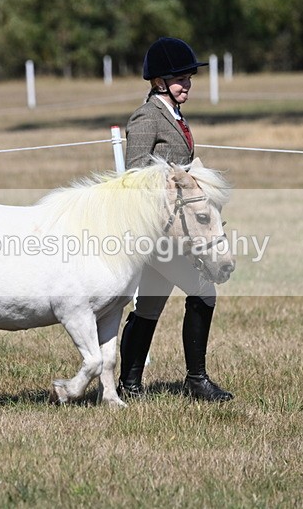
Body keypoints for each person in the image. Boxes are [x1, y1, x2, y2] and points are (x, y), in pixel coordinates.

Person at [117, 37, 233, 402]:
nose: (188, 84)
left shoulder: (175, 115)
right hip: (159, 230)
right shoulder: (146, 117)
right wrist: (174, 178)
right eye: (180, 79)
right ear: (159, 82)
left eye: (189, 78)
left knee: (149, 305)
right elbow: (135, 175)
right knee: (204, 292)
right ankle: (195, 380)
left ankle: (130, 384)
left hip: (176, 228)